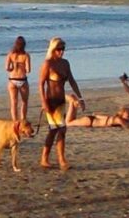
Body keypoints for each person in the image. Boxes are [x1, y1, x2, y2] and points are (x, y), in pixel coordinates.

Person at [38, 37, 85, 171]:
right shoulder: (48, 64)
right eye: (59, 49)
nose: (61, 52)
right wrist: (43, 102)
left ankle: (44, 158)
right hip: (51, 102)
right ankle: (61, 160)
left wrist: (81, 98)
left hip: (61, 102)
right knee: (61, 129)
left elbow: (72, 81)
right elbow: (41, 84)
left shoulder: (65, 63)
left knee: (54, 131)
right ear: (53, 49)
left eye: (63, 49)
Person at [5, 36, 31, 122]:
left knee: (13, 102)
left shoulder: (10, 54)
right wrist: (22, 67)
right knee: (24, 101)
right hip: (22, 80)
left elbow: (7, 68)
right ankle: (23, 119)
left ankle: (15, 120)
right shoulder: (26, 55)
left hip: (12, 79)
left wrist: (13, 67)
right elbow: (28, 70)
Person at [65, 95, 129, 128]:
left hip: (91, 120)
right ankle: (71, 101)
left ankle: (73, 102)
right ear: (122, 113)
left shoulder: (114, 118)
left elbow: (97, 115)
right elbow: (127, 126)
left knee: (71, 120)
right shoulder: (118, 119)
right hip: (90, 122)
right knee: (68, 123)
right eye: (128, 113)